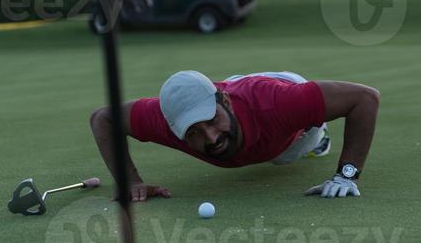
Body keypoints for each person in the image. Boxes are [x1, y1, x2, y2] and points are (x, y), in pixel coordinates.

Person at [90, 70, 380, 201]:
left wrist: (347, 174)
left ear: (224, 103)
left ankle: (319, 136)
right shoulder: (165, 123)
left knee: (286, 154)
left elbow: (365, 99)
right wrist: (130, 181)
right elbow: (102, 118)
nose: (212, 138)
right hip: (236, 95)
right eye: (194, 132)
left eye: (212, 120)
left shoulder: (280, 104)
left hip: (280, 95)